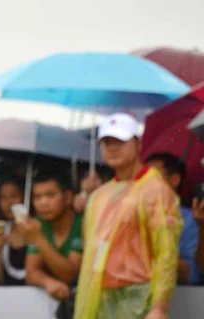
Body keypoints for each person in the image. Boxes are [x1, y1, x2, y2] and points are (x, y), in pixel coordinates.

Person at [74, 113, 183, 319]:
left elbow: (166, 253)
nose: (113, 148)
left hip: (137, 297)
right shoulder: (100, 195)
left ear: (138, 143)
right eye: (107, 142)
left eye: (120, 141)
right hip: (100, 295)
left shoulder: (155, 190)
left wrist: (159, 306)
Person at [18, 172, 83, 302]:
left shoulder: (82, 224)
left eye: (50, 195)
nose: (43, 203)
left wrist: (38, 239)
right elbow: (31, 273)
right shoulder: (39, 224)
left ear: (68, 197)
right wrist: (47, 282)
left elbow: (70, 275)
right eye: (37, 197)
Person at [145, 152, 200, 285]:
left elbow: (192, 274)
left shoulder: (191, 221)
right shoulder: (134, 214)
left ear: (174, 180)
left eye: (153, 176)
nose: (145, 183)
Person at [0, 176, 28, 286]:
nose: (9, 203)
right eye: (3, 197)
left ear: (25, 197)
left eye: (14, 196)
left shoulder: (38, 228)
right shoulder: (0, 233)